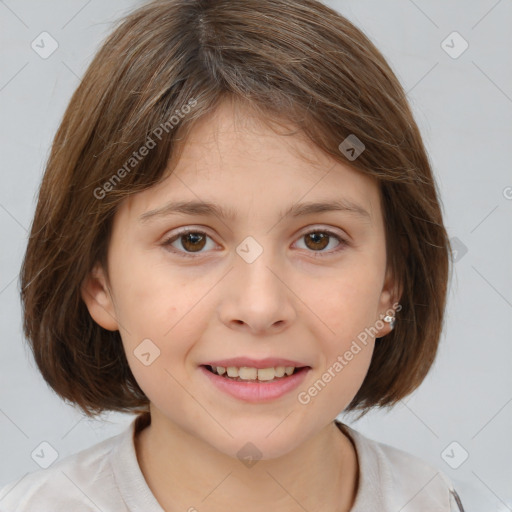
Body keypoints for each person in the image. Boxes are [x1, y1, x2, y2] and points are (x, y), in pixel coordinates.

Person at [0, 0, 465, 510]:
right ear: (98, 283)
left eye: (317, 239)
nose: (261, 307)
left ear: (389, 285)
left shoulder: (434, 498)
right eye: (192, 240)